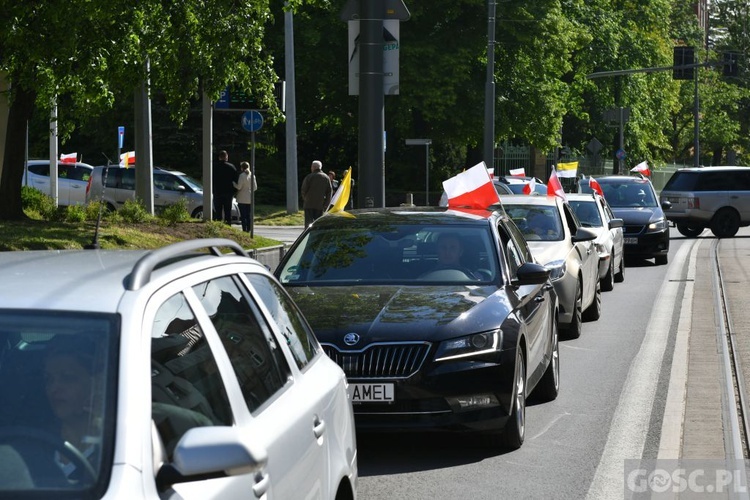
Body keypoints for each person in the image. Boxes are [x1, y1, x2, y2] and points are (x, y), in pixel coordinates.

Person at [43, 335, 103, 480]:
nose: (54, 388)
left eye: (67, 377)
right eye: (49, 380)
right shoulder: (33, 442)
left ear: (96, 385)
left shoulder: (120, 447)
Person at [301, 160, 332, 227]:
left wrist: (306, 199)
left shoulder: (309, 177)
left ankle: (309, 236)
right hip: (320, 204)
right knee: (318, 223)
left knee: (308, 224)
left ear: (313, 167)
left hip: (309, 204)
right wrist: (326, 203)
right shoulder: (326, 178)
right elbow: (329, 191)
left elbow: (303, 190)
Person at [212, 150, 237, 224]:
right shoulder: (231, 167)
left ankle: (219, 225)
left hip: (217, 192)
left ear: (219, 157)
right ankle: (228, 225)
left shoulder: (214, 166)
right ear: (226, 157)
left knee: (218, 211)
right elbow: (236, 179)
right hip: (228, 192)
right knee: (228, 211)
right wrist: (234, 191)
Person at [233, 161, 257, 232]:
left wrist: (234, 183)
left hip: (242, 198)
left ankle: (244, 229)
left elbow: (239, 187)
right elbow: (255, 187)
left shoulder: (242, 176)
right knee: (248, 215)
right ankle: (249, 229)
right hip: (249, 198)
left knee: (243, 216)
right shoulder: (252, 176)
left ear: (242, 168)